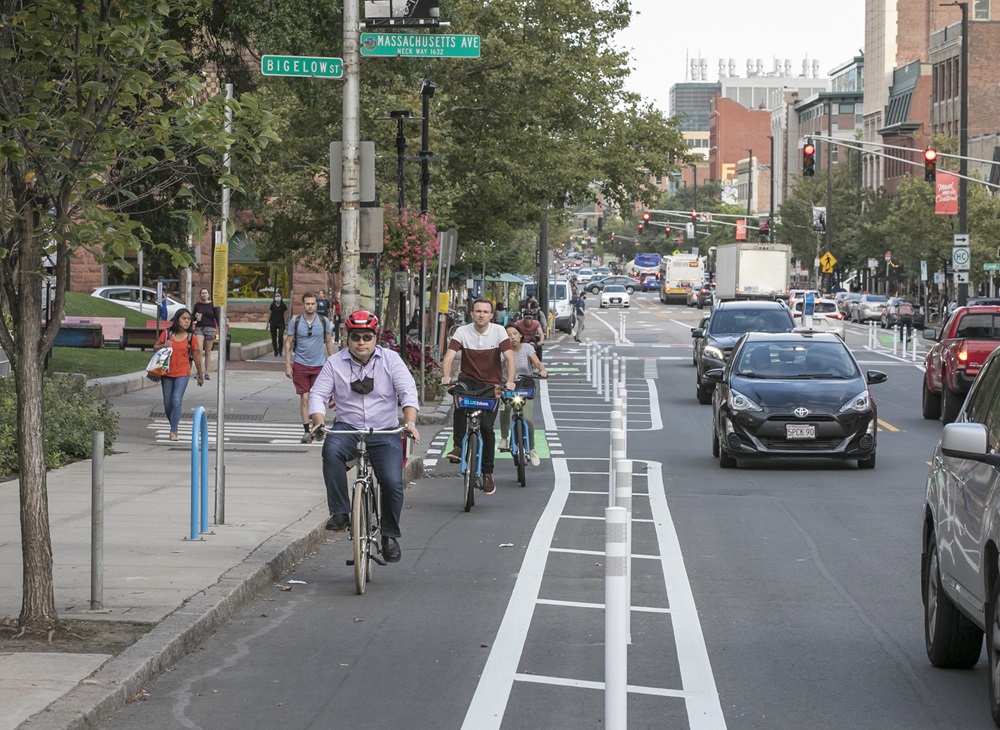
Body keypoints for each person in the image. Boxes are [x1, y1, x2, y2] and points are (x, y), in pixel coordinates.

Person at [307, 311, 419, 563]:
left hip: (384, 431)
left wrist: (409, 422)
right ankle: (341, 512)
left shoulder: (391, 360)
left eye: (367, 337)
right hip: (347, 428)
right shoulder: (334, 363)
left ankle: (390, 535)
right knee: (330, 451)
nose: (361, 342)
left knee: (391, 481)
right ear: (348, 338)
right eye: (355, 337)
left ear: (375, 337)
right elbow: (318, 395)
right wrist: (318, 422)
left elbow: (407, 392)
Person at [440, 299, 516, 495]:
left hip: (492, 385)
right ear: (472, 314)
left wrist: (510, 381)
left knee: (487, 429)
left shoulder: (499, 331)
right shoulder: (462, 332)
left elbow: (509, 357)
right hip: (468, 381)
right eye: (478, 311)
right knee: (458, 398)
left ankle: (488, 474)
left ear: (491, 315)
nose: (482, 315)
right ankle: (457, 447)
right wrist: (446, 376)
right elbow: (449, 356)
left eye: (485, 312)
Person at [285, 291, 335, 443]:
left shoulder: (324, 321)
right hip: (301, 364)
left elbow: (328, 342)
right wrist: (288, 365)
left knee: (317, 398)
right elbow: (288, 343)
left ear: (316, 304)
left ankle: (317, 427)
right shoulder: (296, 321)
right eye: (307, 303)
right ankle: (307, 431)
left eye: (313, 303)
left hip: (319, 366)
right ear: (303, 304)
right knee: (305, 397)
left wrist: (333, 362)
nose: (310, 306)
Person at [499, 325, 547, 466]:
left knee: (527, 418)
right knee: (506, 408)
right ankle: (504, 438)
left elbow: (537, 362)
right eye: (508, 335)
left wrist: (542, 371)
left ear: (520, 335)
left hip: (524, 387)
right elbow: (496, 366)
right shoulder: (502, 351)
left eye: (515, 333)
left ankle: (532, 449)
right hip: (507, 387)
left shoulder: (527, 348)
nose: (512, 337)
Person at [155, 309, 204, 441]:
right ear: (177, 320)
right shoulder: (167, 333)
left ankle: (173, 431)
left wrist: (200, 374)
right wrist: (164, 345)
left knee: (176, 400)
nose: (187, 321)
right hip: (166, 372)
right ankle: (174, 425)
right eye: (184, 318)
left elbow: (197, 356)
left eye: (189, 319)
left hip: (183, 372)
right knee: (167, 404)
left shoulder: (191, 337)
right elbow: (155, 347)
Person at [192, 288, 220, 379]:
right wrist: (196, 317)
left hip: (210, 328)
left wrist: (219, 329)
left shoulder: (213, 305)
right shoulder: (197, 305)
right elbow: (192, 317)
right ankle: (199, 371)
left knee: (208, 351)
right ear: (200, 295)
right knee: (199, 349)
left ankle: (207, 372)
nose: (204, 295)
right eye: (202, 293)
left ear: (208, 295)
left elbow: (217, 318)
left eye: (205, 293)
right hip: (199, 328)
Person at [268, 292, 288, 357]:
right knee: (273, 338)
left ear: (281, 297)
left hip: (281, 323)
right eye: (276, 296)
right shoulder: (272, 305)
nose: (277, 297)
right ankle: (275, 351)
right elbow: (270, 314)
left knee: (280, 337)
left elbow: (285, 315)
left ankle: (280, 350)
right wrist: (267, 323)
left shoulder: (283, 305)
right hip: (273, 323)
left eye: (278, 296)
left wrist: (286, 324)